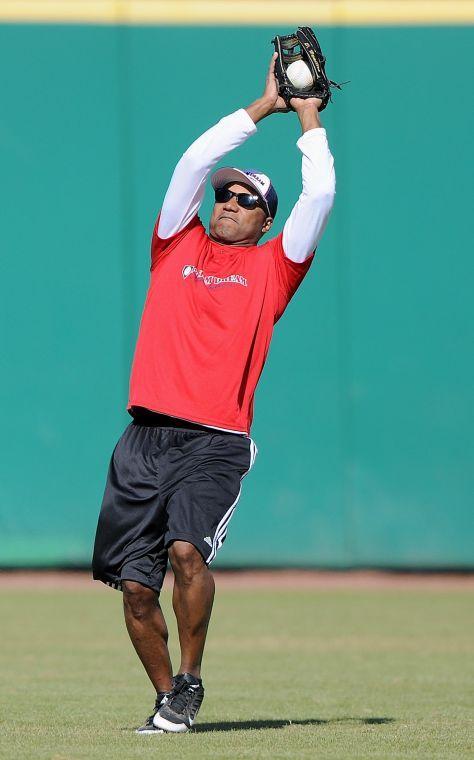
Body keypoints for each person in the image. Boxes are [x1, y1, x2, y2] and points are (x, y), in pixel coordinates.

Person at [92, 54, 335, 734]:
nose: (229, 204)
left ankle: (192, 678)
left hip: (214, 440)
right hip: (142, 439)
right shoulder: (175, 243)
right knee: (137, 591)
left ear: (265, 221)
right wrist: (264, 105)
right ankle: (170, 698)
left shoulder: (275, 269)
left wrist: (309, 113)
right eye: (227, 196)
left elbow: (319, 197)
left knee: (186, 552)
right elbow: (196, 160)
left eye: (247, 201)